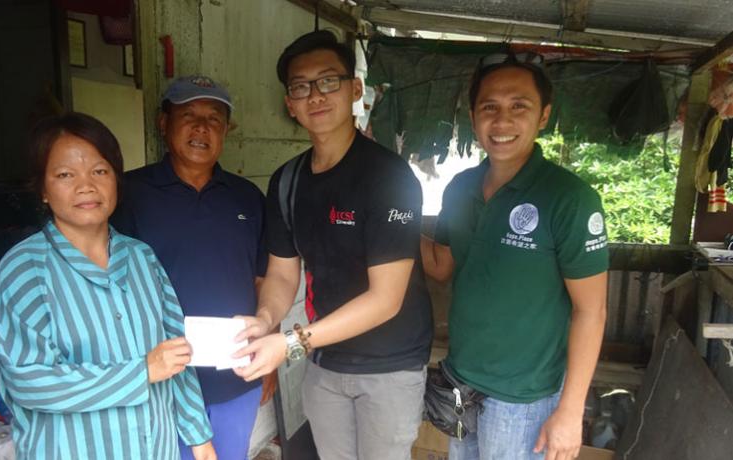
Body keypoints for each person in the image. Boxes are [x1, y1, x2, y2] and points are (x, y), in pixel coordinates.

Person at [233, 30, 433, 460]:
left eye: (329, 81)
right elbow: (283, 271)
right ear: (290, 104)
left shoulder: (389, 178)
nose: (315, 95)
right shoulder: (287, 181)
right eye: (301, 87)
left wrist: (288, 343)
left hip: (389, 368)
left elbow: (385, 299)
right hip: (324, 365)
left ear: (355, 89)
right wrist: (266, 319)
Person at [0, 113, 216, 460]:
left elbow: (176, 354)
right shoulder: (24, 269)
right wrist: (140, 373)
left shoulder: (142, 259)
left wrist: (200, 439)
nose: (86, 186)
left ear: (116, 181)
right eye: (65, 175)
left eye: (99, 171)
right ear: (43, 191)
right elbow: (29, 382)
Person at [420, 53, 609, 460]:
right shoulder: (459, 188)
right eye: (490, 107)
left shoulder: (570, 199)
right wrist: (390, 220)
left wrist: (570, 411)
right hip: (462, 379)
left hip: (525, 397)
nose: (502, 122)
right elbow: (441, 266)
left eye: (518, 106)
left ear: (543, 116)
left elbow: (591, 312)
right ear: (473, 117)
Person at [111, 75, 268, 460]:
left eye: (214, 118)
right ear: (163, 123)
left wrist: (271, 357)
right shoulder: (127, 193)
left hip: (235, 380)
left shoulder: (247, 197)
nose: (202, 127)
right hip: (158, 382)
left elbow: (262, 281)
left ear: (226, 130)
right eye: (188, 115)